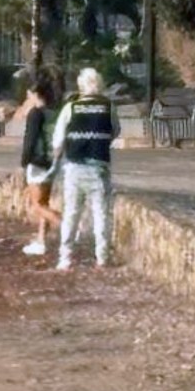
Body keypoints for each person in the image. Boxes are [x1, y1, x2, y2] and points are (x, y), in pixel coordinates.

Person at [52, 67, 121, 271]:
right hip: (99, 166)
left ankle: (65, 258)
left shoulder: (71, 107)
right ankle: (102, 257)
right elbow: (115, 130)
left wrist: (56, 158)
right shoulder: (108, 107)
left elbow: (58, 139)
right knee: (101, 213)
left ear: (81, 86)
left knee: (72, 213)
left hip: (74, 166)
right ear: (99, 84)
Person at [20, 77, 61, 256]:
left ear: (35, 94)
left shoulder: (35, 114)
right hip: (51, 161)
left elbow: (30, 140)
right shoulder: (53, 112)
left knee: (36, 205)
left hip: (37, 162)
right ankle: (41, 241)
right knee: (44, 201)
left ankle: (66, 226)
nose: (27, 98)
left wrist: (24, 162)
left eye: (28, 95)